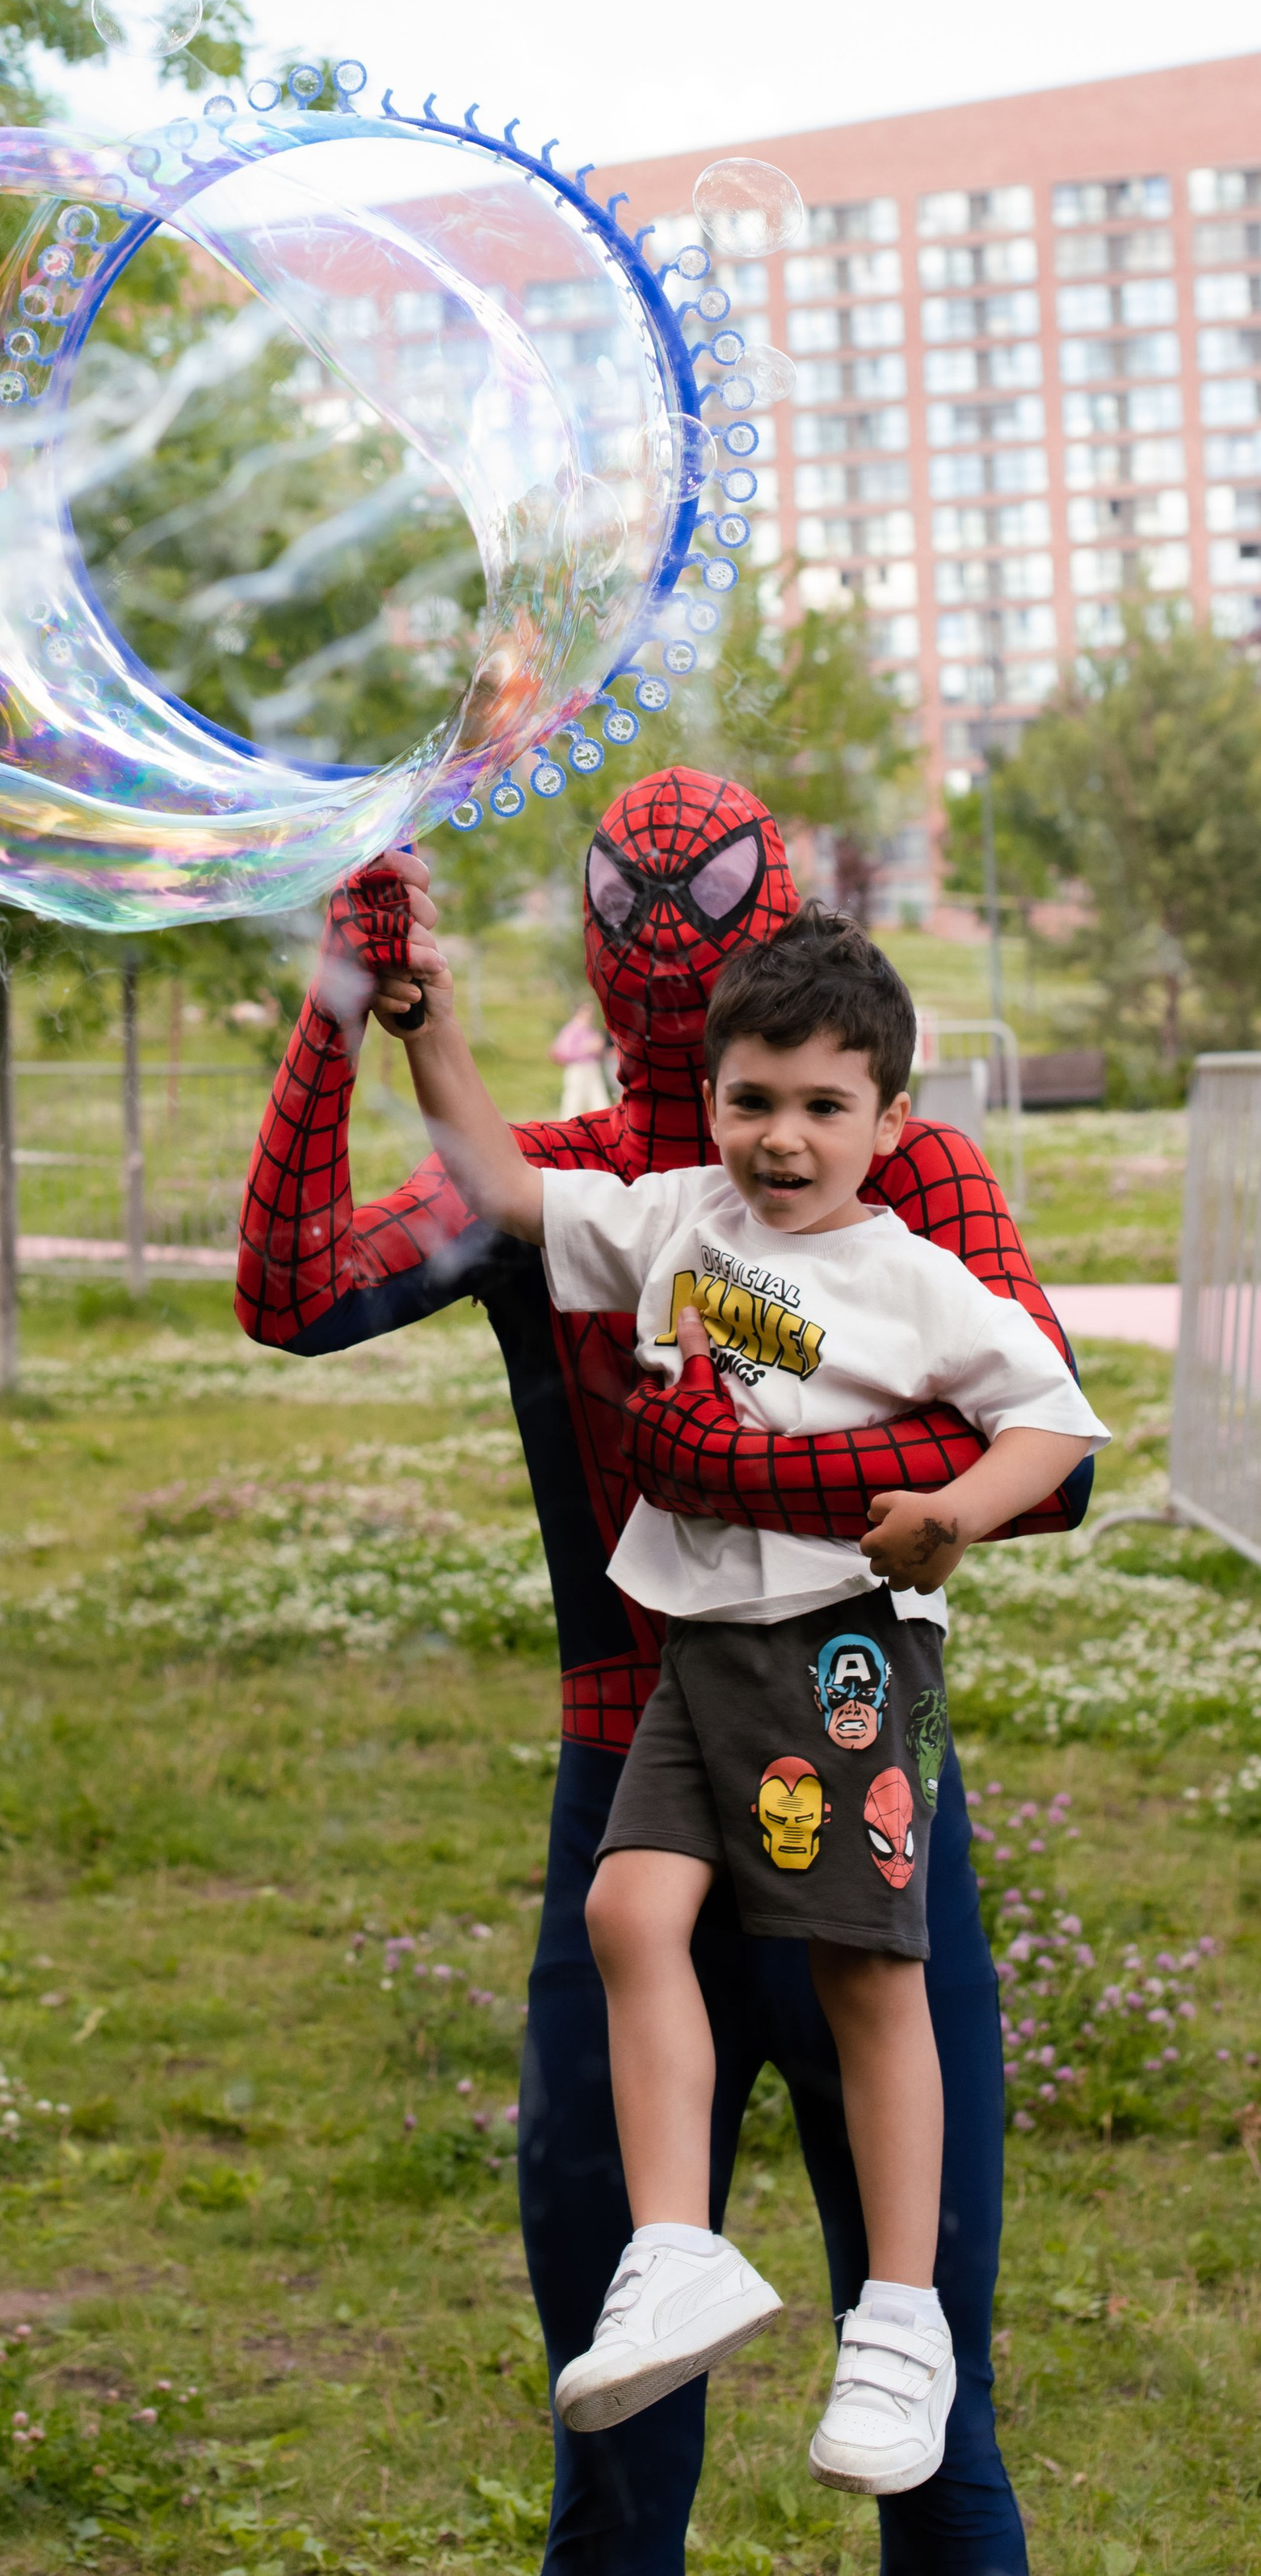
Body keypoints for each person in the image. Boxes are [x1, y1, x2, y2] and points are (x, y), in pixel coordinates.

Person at [236, 767, 1094, 2576]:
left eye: (700, 906)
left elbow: (1053, 1456)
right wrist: (350, 1006)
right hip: (634, 1773)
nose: (659, 946)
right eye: (632, 916)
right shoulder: (599, 1188)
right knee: (618, 2422)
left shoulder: (908, 1167)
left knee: (925, 2401)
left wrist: (734, 1467)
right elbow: (295, 1282)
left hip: (840, 1751)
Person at [552, 1002, 612, 1120]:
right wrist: (586, 1048)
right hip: (578, 1067)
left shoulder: (590, 1030)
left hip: (592, 1067)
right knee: (575, 1096)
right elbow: (564, 1051)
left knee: (597, 1095)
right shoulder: (572, 1029)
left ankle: (603, 1120)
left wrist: (600, 1050)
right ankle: (568, 1123)